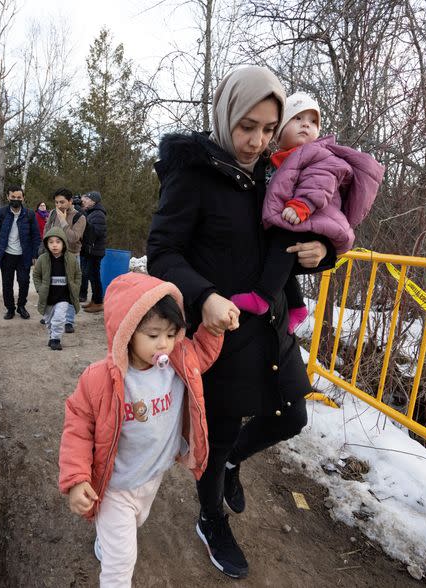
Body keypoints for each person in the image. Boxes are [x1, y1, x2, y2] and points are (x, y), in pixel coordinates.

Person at [146, 66, 336, 578]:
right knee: (221, 431)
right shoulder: (194, 173)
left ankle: (232, 465)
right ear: (226, 114)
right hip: (220, 332)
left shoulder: (279, 172)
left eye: (269, 129)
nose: (256, 141)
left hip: (272, 328)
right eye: (246, 126)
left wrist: (323, 250)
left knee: (292, 416)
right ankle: (210, 517)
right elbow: (162, 251)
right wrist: (202, 297)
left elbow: (301, 230)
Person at [59, 273, 223, 587]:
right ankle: (113, 552)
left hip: (151, 475)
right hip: (115, 485)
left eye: (172, 333)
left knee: (134, 524)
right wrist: (77, 478)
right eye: (153, 335)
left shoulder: (177, 360)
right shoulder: (101, 379)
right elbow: (78, 427)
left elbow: (200, 355)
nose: (164, 343)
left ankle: (106, 542)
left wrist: (215, 329)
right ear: (128, 331)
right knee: (121, 565)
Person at [230, 92, 384, 332]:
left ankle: (262, 297)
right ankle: (297, 306)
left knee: (283, 242)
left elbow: (320, 182)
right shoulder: (277, 159)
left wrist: (302, 205)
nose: (306, 124)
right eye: (297, 118)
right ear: (279, 130)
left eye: (313, 121)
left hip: (309, 214)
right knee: (280, 257)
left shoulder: (318, 154)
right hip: (299, 216)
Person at [0, 185, 41, 320]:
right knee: (7, 283)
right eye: (13, 197)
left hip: (24, 255)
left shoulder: (29, 214)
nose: (15, 199)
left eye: (19, 197)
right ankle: (10, 308)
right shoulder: (1, 213)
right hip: (6, 255)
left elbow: (36, 236)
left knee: (24, 282)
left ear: (23, 198)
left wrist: (35, 254)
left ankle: (21, 306)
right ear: (8, 197)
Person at [44, 188, 87, 333]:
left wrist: (63, 221)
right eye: (56, 202)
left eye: (62, 202)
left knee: (70, 289)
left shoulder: (79, 217)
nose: (59, 205)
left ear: (70, 201)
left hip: (71, 256)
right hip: (53, 256)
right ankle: (51, 314)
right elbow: (47, 232)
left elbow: (73, 238)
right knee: (51, 286)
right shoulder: (52, 213)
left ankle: (68, 321)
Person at [32, 226, 81, 350]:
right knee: (49, 321)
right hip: (48, 296)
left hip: (63, 297)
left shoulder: (71, 259)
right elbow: (36, 275)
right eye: (51, 242)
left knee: (59, 319)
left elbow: (78, 274)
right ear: (46, 244)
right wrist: (39, 288)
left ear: (63, 243)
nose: (54, 245)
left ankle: (56, 339)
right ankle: (52, 336)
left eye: (58, 242)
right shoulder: (43, 259)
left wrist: (75, 286)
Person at [79, 190, 107, 313]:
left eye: (87, 199)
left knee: (94, 277)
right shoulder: (91, 213)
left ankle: (99, 302)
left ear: (93, 201)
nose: (84, 201)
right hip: (90, 250)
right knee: (91, 276)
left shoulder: (98, 214)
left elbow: (96, 233)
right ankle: (95, 300)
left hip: (94, 251)